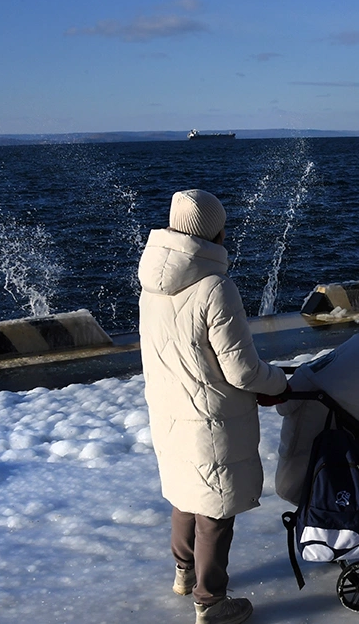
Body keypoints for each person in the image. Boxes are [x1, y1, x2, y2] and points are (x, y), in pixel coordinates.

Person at [138, 189, 288, 624]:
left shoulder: (151, 283)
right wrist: (279, 381)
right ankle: (211, 602)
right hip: (208, 418)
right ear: (215, 231)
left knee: (186, 494)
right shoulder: (214, 288)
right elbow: (241, 370)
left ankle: (184, 574)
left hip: (169, 412)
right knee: (215, 511)